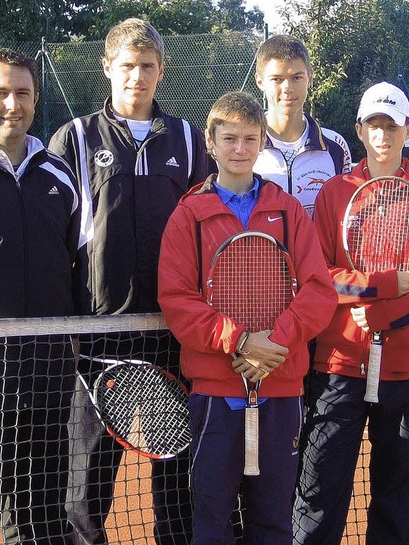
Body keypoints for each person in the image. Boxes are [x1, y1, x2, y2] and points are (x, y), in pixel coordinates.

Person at [48, 18, 212, 545]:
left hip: (173, 331)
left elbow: (207, 229)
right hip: (99, 337)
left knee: (177, 476)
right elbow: (56, 240)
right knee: (88, 483)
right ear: (107, 68)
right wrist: (68, 327)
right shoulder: (73, 138)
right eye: (127, 65)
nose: (136, 76)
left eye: (146, 66)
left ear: (161, 71)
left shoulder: (188, 139)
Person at [158, 91, 337, 545]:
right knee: (212, 524)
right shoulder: (188, 216)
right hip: (216, 395)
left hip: (280, 387)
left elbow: (319, 290)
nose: (240, 148)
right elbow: (177, 299)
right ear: (211, 143)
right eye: (229, 138)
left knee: (273, 523)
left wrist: (273, 344)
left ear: (262, 144)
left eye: (250, 139)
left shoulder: (288, 209)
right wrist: (239, 342)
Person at [293, 81, 409, 545]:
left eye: (392, 125)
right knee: (320, 488)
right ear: (360, 131)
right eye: (374, 125)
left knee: (396, 494)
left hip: (406, 368)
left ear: (408, 129)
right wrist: (378, 287)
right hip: (339, 364)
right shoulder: (334, 193)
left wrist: (391, 315)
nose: (383, 135)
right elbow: (318, 275)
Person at [0, 46, 81, 544]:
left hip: (48, 376)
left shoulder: (62, 176)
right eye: (0, 93)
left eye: (23, 93)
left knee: (41, 517)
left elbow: (79, 266)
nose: (14, 104)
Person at [253, 34, 352, 217]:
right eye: (277, 79)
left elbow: (341, 216)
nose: (287, 88)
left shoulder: (336, 145)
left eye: (296, 77)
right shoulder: (243, 146)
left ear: (310, 78)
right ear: (260, 81)